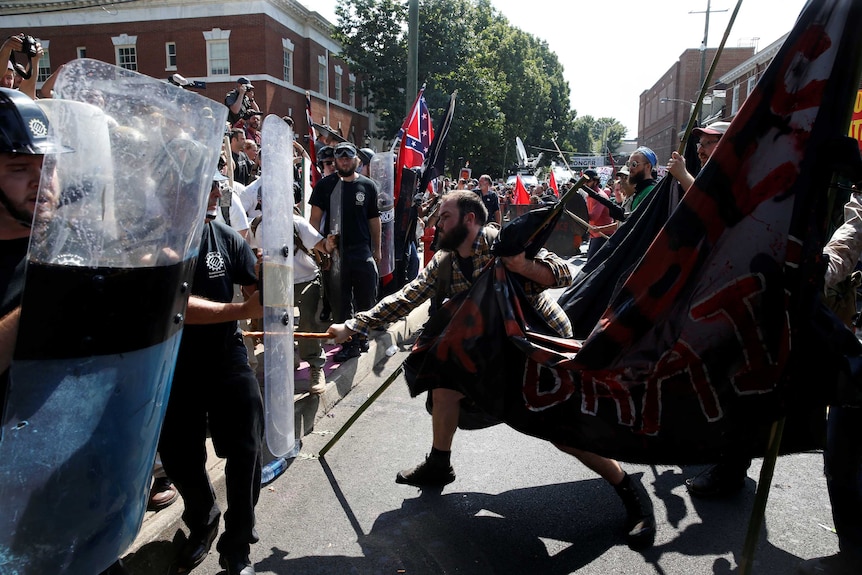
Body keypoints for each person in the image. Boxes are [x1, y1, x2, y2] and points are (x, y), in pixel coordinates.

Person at [327, 190, 657, 548]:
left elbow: (564, 273)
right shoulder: (446, 261)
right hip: (492, 357)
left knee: (565, 434)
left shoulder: (503, 243)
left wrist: (524, 266)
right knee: (443, 382)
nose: (438, 224)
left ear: (470, 220)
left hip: (539, 352)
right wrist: (355, 325)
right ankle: (440, 463)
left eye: (445, 217)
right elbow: (408, 297)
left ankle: (630, 493)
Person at [0, 87, 132, 575]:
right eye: (19, 169)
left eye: (49, 167)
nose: (42, 182)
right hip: (10, 518)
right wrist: (46, 298)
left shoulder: (74, 243)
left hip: (83, 499)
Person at [158, 171, 264, 575]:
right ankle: (203, 518)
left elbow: (254, 285)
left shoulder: (225, 236)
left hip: (225, 354)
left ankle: (238, 544)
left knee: (246, 444)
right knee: (179, 455)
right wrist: (242, 310)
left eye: (217, 182)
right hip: (172, 364)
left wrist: (264, 285)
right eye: (202, 182)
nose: (216, 190)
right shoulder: (157, 238)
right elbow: (176, 304)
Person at [309, 141, 381, 363]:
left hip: (362, 251)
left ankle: (362, 336)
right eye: (340, 158)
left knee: (366, 298)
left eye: (349, 157)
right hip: (336, 254)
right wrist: (319, 248)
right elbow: (313, 221)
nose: (344, 161)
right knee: (340, 302)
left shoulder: (368, 186)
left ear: (356, 160)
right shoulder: (324, 186)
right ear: (335, 161)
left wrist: (377, 249)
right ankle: (348, 345)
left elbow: (374, 220)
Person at [667, 121, 730, 192]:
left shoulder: (738, 178)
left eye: (707, 143)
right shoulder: (711, 176)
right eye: (699, 144)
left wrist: (683, 174)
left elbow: (705, 200)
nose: (699, 150)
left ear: (726, 144)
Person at [582, 169, 618, 261]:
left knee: (591, 267)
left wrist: (579, 211)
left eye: (588, 181)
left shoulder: (599, 196)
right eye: (583, 182)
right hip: (595, 235)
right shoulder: (590, 196)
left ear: (595, 181)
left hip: (603, 236)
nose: (585, 184)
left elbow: (594, 217)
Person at [625, 147, 658, 212]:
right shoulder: (640, 190)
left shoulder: (650, 191)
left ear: (648, 166)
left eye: (634, 164)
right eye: (629, 164)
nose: (630, 168)